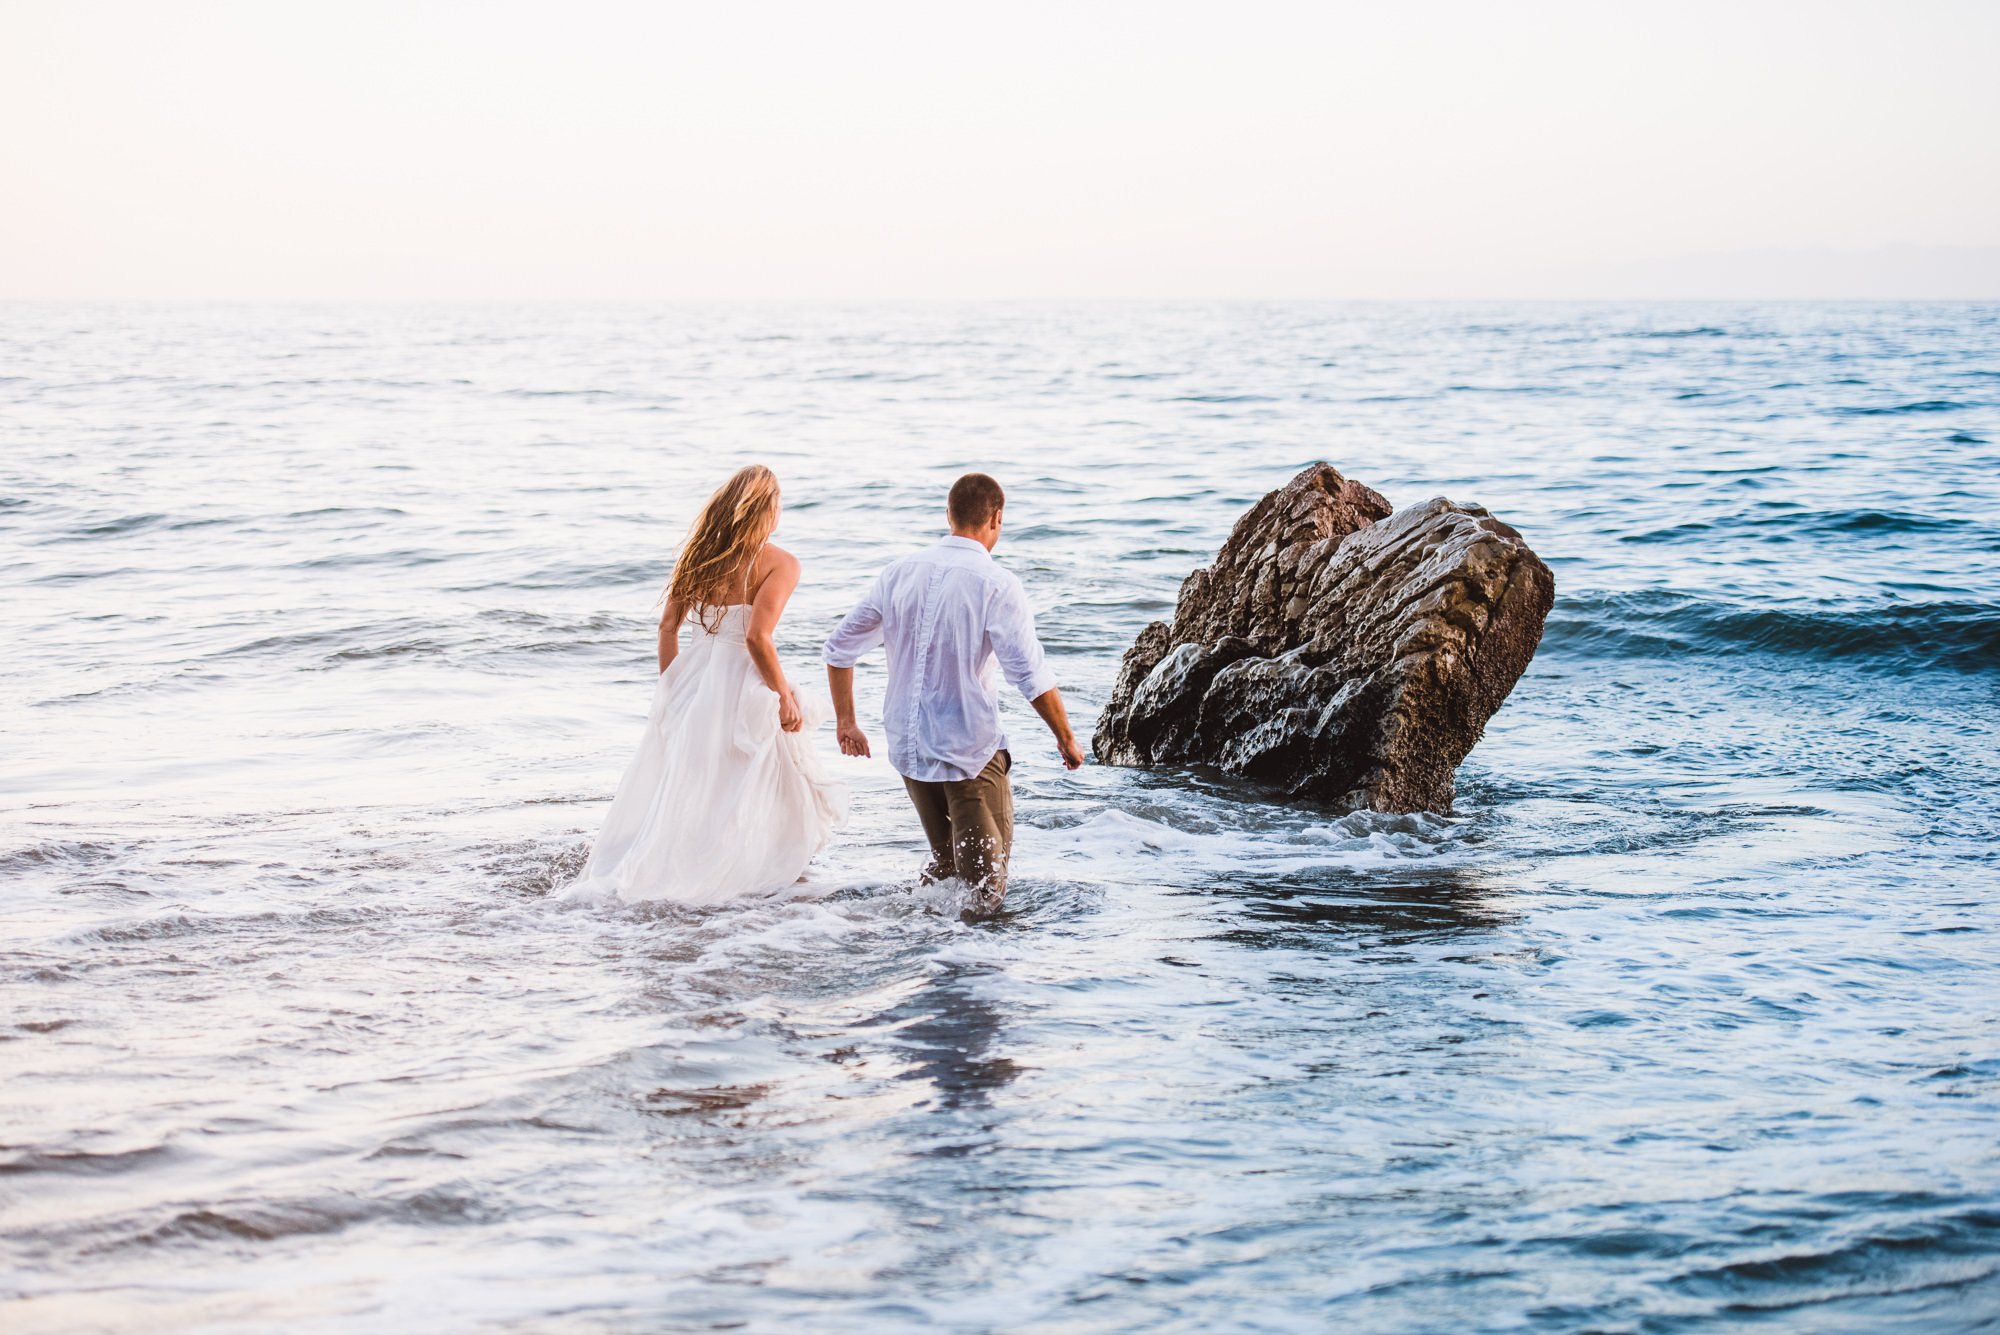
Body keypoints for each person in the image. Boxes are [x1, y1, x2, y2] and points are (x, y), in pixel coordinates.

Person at [562, 465, 845, 906]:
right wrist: (784, 696)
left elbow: (667, 628)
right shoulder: (781, 563)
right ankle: (754, 870)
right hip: (744, 681)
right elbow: (757, 638)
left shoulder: (696, 557)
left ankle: (696, 862)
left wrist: (672, 686)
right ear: (768, 510)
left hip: (695, 679)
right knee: (754, 781)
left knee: (696, 780)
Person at [823, 472, 1083, 917]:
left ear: (949, 514)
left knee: (948, 869)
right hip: (968, 755)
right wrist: (1065, 737)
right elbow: (1030, 674)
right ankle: (962, 969)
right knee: (986, 889)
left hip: (910, 750)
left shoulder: (899, 572)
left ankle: (909, 941)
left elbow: (838, 648)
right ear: (996, 518)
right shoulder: (996, 583)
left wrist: (846, 722)